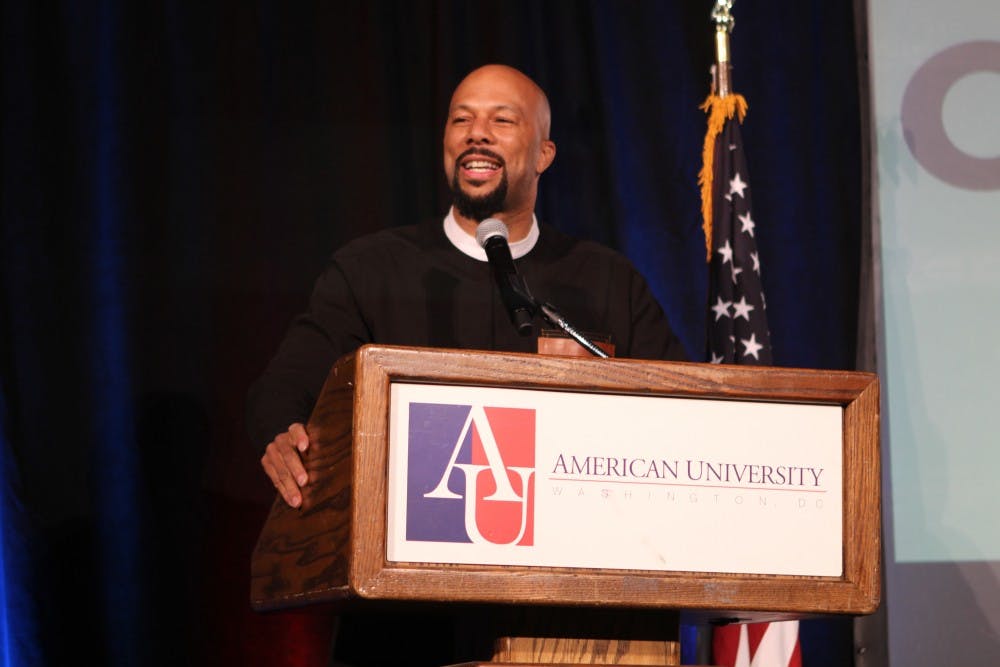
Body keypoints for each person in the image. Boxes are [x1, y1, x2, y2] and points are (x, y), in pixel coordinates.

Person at [247, 64, 687, 664]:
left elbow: (684, 414)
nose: (476, 133)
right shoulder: (372, 270)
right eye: (461, 120)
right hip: (402, 625)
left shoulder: (606, 281)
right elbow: (286, 390)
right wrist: (281, 435)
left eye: (502, 120)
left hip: (573, 622)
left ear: (544, 153)